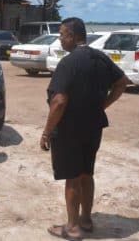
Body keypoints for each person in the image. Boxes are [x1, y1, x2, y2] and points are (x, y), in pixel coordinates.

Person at [40, 17, 128, 240]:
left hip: (70, 129)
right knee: (86, 173)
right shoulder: (100, 58)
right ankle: (86, 221)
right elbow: (122, 82)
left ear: (72, 35)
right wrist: (102, 106)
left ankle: (72, 227)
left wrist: (46, 131)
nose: (60, 39)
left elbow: (59, 102)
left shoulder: (68, 63)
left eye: (61, 35)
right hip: (93, 127)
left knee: (72, 177)